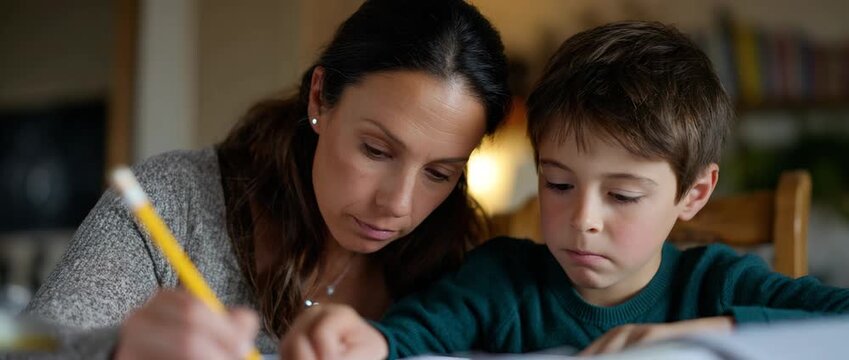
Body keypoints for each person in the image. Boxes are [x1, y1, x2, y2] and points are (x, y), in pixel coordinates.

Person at [278, 21, 849, 360]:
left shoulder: (718, 283)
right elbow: (409, 336)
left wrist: (705, 331)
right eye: (557, 183)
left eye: (622, 196)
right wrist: (365, 343)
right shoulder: (501, 279)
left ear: (694, 194)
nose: (583, 220)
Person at [20, 0, 511, 358]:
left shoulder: (462, 265)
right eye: (376, 150)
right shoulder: (176, 201)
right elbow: (24, 344)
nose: (399, 204)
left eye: (440, 173)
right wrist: (116, 349)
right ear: (320, 97)